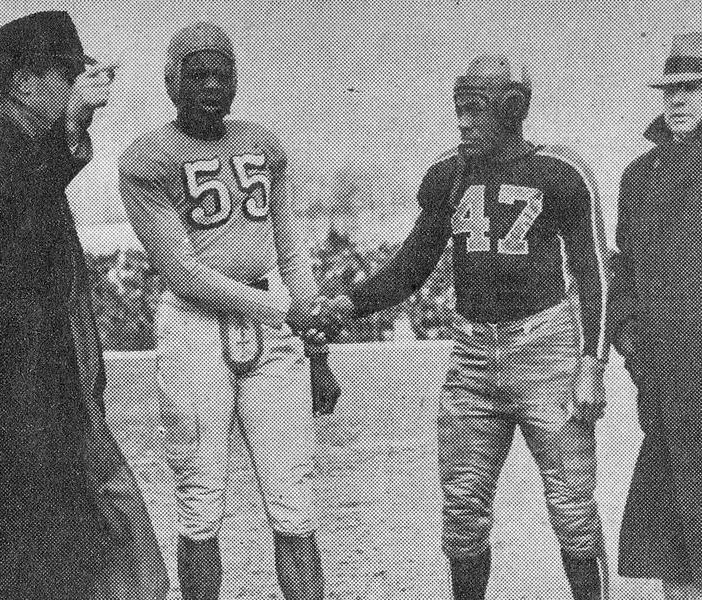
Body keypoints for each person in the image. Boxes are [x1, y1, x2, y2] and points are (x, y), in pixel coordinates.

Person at [0, 12, 167, 600]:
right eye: (63, 74)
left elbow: (41, 177)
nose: (75, 85)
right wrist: (72, 126)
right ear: (22, 84)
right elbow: (21, 196)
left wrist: (73, 124)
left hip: (38, 387)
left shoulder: (19, 151)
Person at [327, 56, 611, 599]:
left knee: (572, 508)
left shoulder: (561, 170)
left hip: (545, 349)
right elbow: (415, 259)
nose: (463, 122)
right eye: (459, 109)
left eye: (476, 109)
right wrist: (351, 302)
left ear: (513, 108)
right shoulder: (448, 174)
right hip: (472, 354)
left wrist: (591, 366)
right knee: (461, 510)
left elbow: (595, 272)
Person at [119, 22, 340, 600]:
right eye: (197, 75)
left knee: (294, 501)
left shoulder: (264, 144)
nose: (211, 87)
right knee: (200, 501)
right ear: (172, 83)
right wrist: (284, 311)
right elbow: (187, 275)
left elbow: (290, 245)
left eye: (222, 75)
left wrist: (316, 346)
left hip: (274, 317)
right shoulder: (145, 158)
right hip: (195, 325)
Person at [608, 32, 702, 600]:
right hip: (666, 381)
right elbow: (622, 277)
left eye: (692, 89)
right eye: (671, 89)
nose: (678, 100)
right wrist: (635, 351)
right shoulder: (639, 177)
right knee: (674, 538)